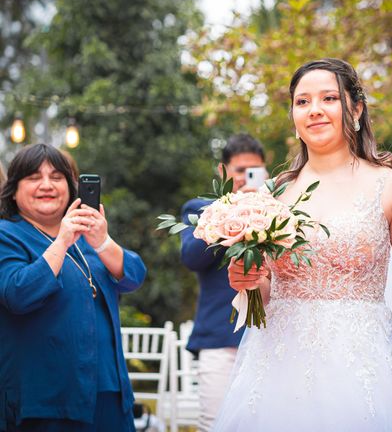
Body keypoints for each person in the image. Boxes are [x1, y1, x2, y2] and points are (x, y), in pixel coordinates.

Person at [213, 58, 392, 431]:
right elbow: (265, 293)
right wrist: (248, 281)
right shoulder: (275, 194)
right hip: (278, 366)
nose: (314, 110)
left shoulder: (389, 184)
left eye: (328, 98)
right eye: (302, 102)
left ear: (357, 108)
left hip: (366, 367)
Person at [0, 144, 147, 432]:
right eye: (33, 177)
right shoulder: (7, 235)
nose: (46, 185)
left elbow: (134, 275)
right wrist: (62, 241)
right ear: (14, 190)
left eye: (56, 177)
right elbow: (18, 293)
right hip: (45, 398)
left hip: (108, 390)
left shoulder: (87, 235)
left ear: (71, 187)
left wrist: (102, 241)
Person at [180, 133, 267, 431]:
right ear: (223, 171)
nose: (246, 178)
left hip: (268, 339)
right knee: (215, 424)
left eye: (253, 171)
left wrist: (263, 210)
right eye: (240, 170)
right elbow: (192, 257)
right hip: (219, 337)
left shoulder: (276, 212)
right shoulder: (199, 209)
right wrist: (231, 212)